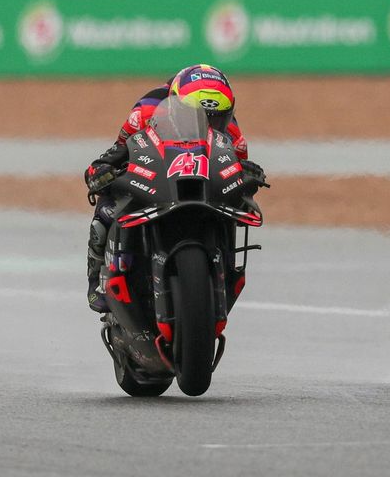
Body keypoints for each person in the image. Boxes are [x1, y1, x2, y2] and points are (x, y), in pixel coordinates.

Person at [84, 63, 265, 312]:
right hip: (156, 174)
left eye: (217, 118)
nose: (210, 125)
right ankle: (97, 277)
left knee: (234, 209)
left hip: (202, 186)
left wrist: (249, 176)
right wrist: (101, 171)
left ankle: (223, 270)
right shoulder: (146, 111)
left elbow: (235, 175)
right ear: (175, 104)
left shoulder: (233, 133)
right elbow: (118, 152)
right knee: (107, 205)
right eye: (200, 116)